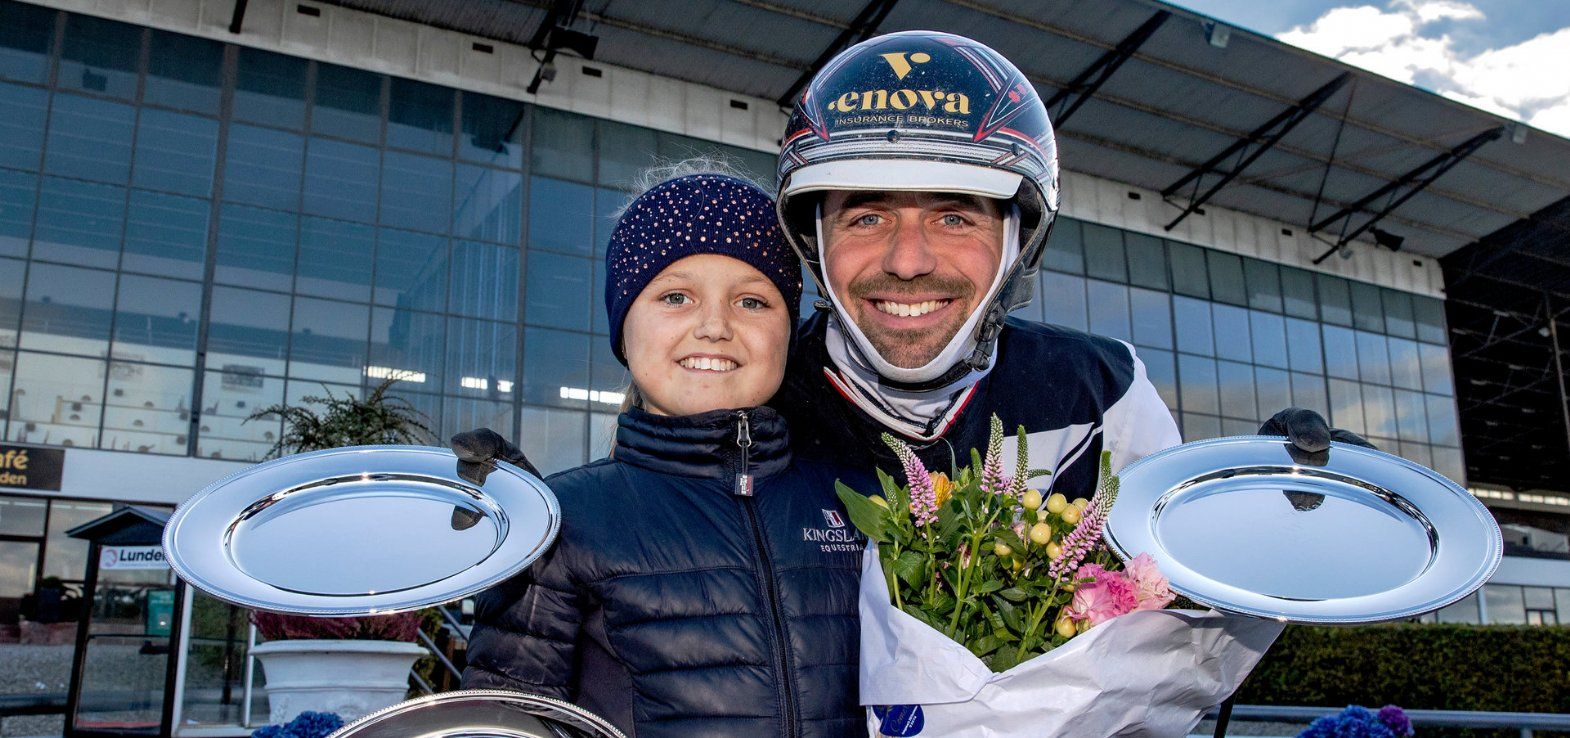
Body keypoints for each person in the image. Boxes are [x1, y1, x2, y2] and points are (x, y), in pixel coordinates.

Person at [769, 30, 1367, 490]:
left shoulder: (1103, 393)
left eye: (954, 218)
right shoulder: (756, 395)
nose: (907, 262)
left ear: (1020, 238)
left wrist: (1250, 520)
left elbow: (1174, 597)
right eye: (867, 218)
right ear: (814, 239)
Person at [453, 169, 866, 738]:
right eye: (676, 296)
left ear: (788, 334)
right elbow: (504, 724)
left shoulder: (861, 504)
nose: (715, 326)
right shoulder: (561, 521)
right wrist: (520, 548)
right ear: (625, 329)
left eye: (752, 301)